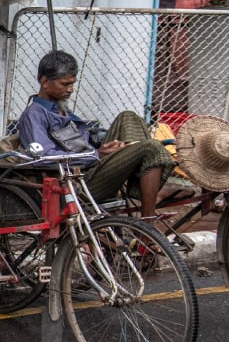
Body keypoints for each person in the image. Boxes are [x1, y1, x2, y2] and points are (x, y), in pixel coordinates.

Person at [17, 50, 176, 217]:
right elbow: (44, 158)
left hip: (90, 165)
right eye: (64, 84)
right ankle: (148, 221)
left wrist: (106, 147)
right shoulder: (34, 114)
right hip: (76, 183)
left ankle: (146, 190)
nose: (70, 89)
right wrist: (97, 154)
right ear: (45, 82)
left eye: (73, 83)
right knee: (150, 147)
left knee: (128, 117)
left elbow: (79, 143)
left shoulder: (60, 108)